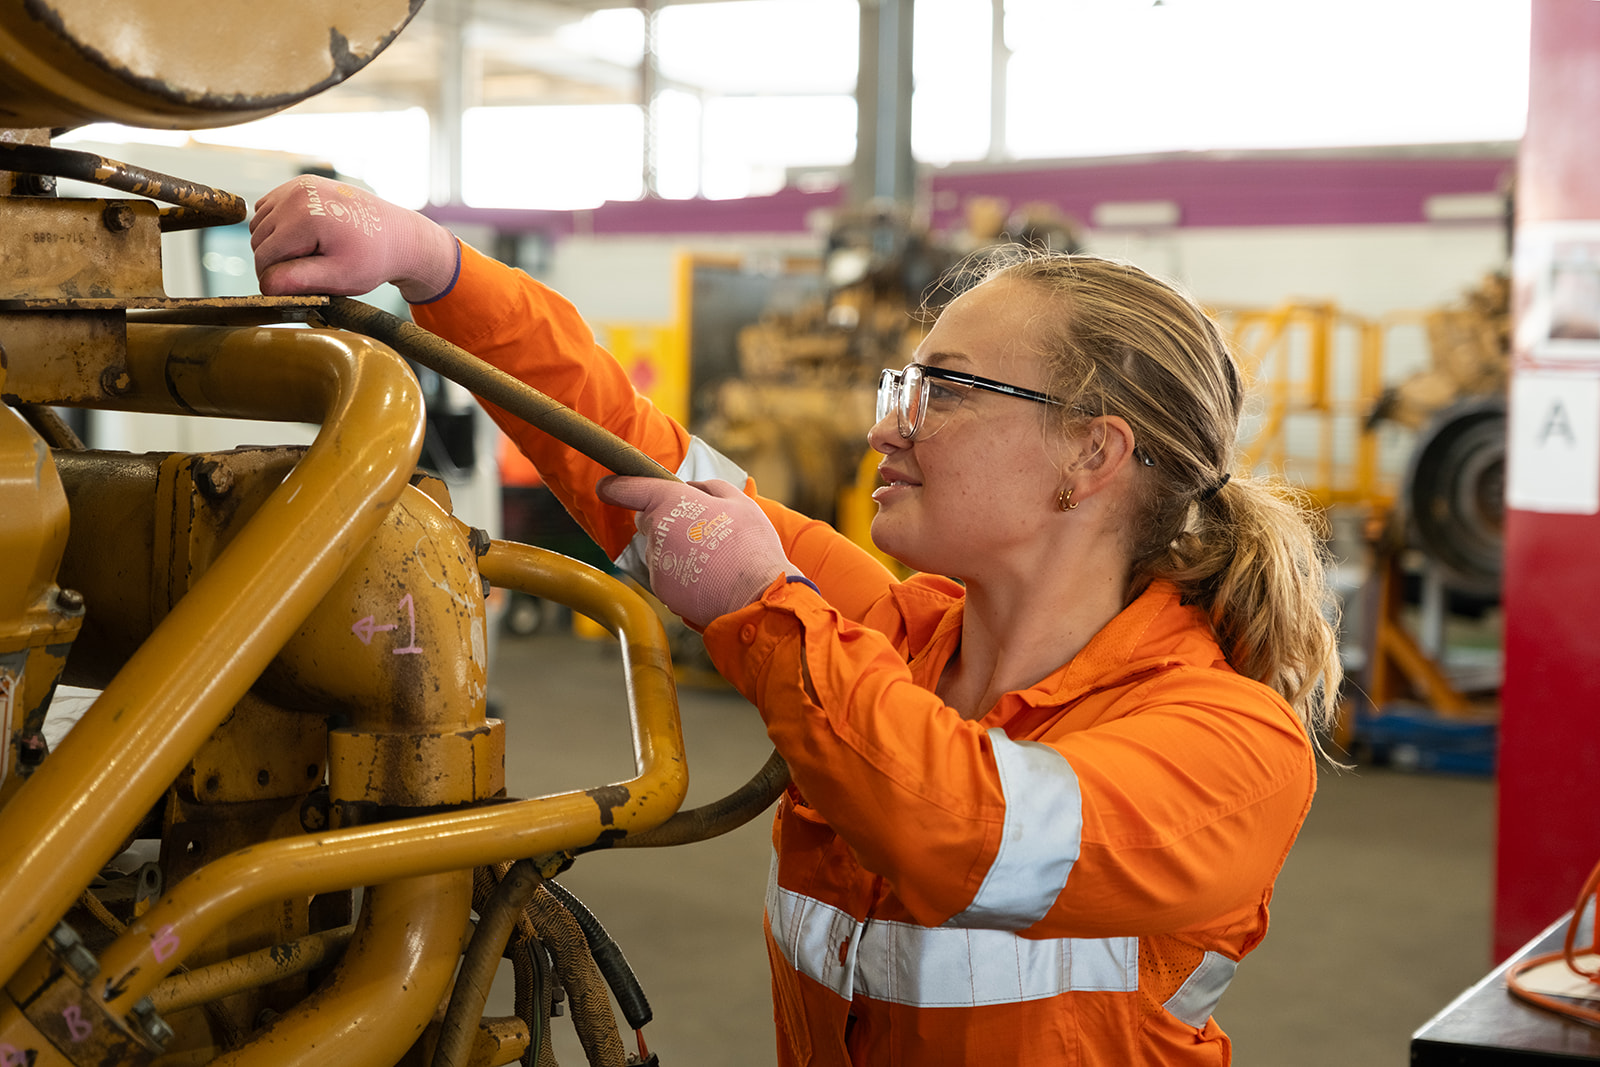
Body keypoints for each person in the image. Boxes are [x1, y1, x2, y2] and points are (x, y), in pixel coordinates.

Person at [251, 175, 1341, 1066]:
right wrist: (434, 264)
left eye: (944, 391)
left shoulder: (1232, 748)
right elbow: (636, 459)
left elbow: (966, 829)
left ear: (1092, 453)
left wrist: (761, 606)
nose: (885, 429)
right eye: (901, 387)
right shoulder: (891, 636)